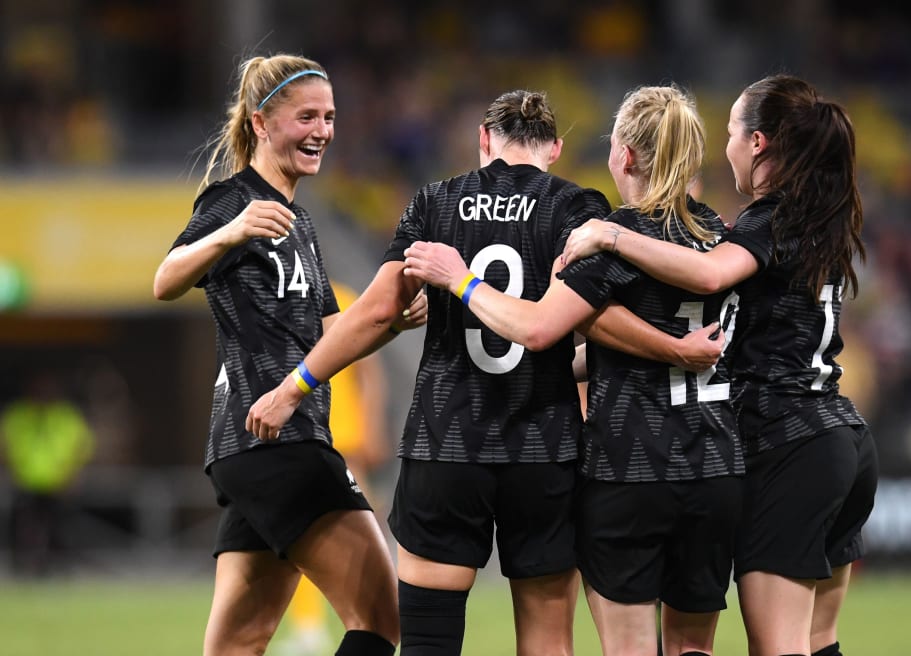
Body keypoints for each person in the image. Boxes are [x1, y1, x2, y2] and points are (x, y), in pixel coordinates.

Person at [246, 88, 722, 656]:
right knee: (547, 639)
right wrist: (673, 347)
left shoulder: (436, 203)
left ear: (483, 142)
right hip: (543, 449)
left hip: (448, 442)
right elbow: (594, 319)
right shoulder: (578, 208)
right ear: (554, 149)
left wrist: (295, 385)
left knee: (428, 639)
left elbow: (374, 312)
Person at [404, 84, 743, 656]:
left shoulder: (613, 241)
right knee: (693, 649)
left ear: (624, 156)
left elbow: (540, 328)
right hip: (714, 466)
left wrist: (460, 279)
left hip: (632, 468)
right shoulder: (723, 238)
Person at [560, 74, 879, 656]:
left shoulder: (767, 218)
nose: (726, 143)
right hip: (841, 437)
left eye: (732, 129)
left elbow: (708, 276)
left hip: (789, 441)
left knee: (779, 645)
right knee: (819, 639)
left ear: (757, 143)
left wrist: (609, 234)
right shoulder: (819, 213)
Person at [152, 53, 416, 656]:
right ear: (261, 123)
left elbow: (336, 336)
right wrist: (228, 232)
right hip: (280, 440)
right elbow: (165, 280)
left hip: (257, 448)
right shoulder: (232, 201)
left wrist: (393, 322)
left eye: (329, 116)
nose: (322, 130)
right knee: (381, 617)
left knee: (238, 643)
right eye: (306, 117)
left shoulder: (301, 222)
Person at [278, 281, 398, 656]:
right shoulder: (284, 300)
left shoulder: (343, 300)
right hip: (305, 433)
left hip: (343, 436)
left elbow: (370, 374)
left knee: (358, 530)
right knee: (302, 533)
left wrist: (372, 426)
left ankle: (384, 609)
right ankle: (311, 627)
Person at [1, 370, 95, 577]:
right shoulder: (18, 415)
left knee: (60, 530)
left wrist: (73, 476)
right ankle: (25, 570)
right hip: (27, 482)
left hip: (58, 483)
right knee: (24, 529)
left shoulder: (66, 416)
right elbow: (6, 446)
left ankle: (59, 570)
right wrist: (11, 470)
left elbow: (83, 447)